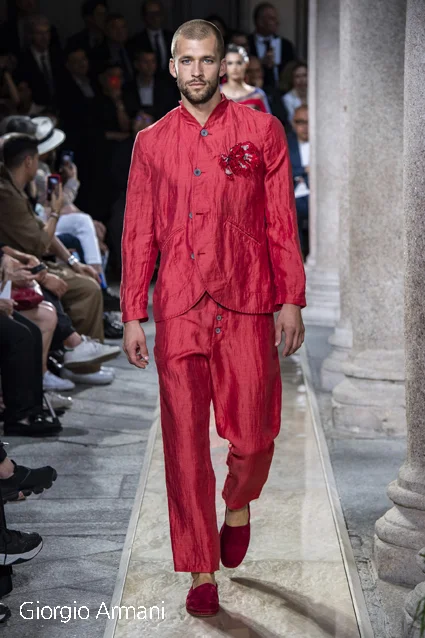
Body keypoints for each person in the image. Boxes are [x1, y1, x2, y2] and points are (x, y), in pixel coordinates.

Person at [121, 19, 306, 616]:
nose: (197, 70)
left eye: (207, 59)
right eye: (187, 60)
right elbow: (137, 232)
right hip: (178, 305)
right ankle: (201, 569)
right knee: (183, 443)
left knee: (253, 435)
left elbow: (281, 221)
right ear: (172, 66)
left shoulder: (261, 130)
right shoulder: (151, 142)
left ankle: (239, 503)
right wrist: (131, 312)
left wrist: (291, 298)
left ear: (223, 64)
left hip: (247, 299)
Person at [0, 134, 121, 377]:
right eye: (37, 159)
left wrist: (74, 262)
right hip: (24, 266)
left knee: (87, 281)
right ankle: (79, 363)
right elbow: (39, 242)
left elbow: (38, 230)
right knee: (86, 289)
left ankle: (84, 362)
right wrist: (55, 212)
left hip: (31, 262)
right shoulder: (7, 195)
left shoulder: (16, 189)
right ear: (28, 161)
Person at [16, 14, 64, 109]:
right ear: (31, 35)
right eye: (39, 33)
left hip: (61, 107)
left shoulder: (58, 55)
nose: (44, 37)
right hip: (36, 109)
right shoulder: (22, 60)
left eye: (47, 32)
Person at [248, 2, 295, 89]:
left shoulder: (286, 45)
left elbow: (291, 69)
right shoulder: (247, 42)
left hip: (281, 90)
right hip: (254, 89)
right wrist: (260, 62)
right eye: (272, 18)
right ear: (260, 21)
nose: (277, 22)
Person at [123, 49, 179, 121]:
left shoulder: (165, 86)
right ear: (136, 64)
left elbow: (168, 109)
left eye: (153, 61)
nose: (150, 65)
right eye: (145, 62)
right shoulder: (129, 87)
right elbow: (130, 110)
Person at [287, 105, 309, 258]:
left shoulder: (324, 145)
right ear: (293, 123)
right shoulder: (286, 143)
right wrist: (304, 170)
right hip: (293, 195)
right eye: (300, 122)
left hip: (316, 196)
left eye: (308, 122)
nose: (305, 127)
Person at [221, 44, 271, 113]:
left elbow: (267, 119)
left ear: (246, 64)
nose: (234, 67)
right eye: (230, 63)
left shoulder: (258, 95)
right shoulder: (215, 94)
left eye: (239, 63)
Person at [128, 1, 173, 73]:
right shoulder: (135, 41)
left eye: (157, 13)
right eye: (150, 14)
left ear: (162, 15)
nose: (154, 17)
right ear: (144, 16)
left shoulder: (172, 37)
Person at [245, 55, 288, 127]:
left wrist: (259, 91)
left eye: (257, 70)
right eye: (249, 71)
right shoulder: (237, 94)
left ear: (262, 72)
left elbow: (281, 118)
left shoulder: (272, 93)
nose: (254, 75)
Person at [92, 13, 133, 83]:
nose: (120, 31)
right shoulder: (98, 53)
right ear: (106, 31)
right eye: (115, 28)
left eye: (123, 27)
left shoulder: (133, 47)